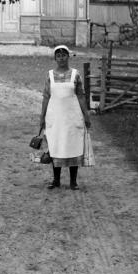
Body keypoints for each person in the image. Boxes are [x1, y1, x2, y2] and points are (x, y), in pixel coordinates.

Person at [39, 45, 92, 190]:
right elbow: (46, 96)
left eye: (64, 55)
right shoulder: (50, 75)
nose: (61, 58)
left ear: (68, 57)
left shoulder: (75, 74)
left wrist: (86, 115)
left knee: (73, 145)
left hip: (72, 117)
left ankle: (73, 181)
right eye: (58, 56)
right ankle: (56, 180)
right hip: (55, 117)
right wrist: (42, 116)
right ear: (55, 58)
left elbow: (81, 95)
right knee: (55, 146)